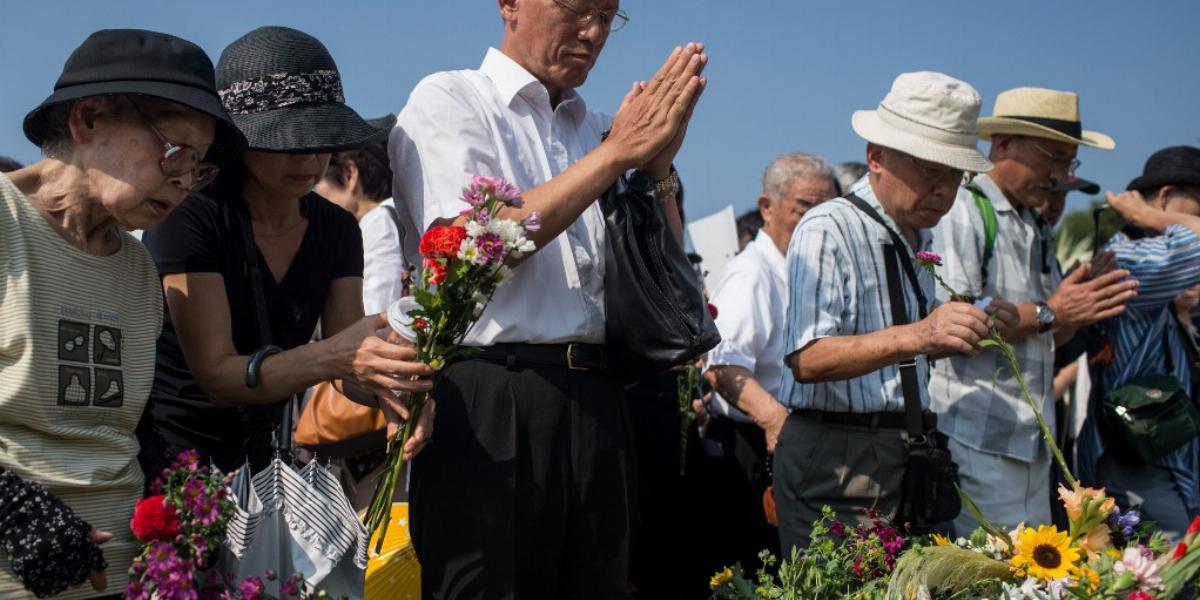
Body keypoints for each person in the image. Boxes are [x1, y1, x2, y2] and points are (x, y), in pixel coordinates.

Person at [390, 0, 708, 595]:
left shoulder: (597, 128)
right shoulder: (452, 99)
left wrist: (658, 167)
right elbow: (471, 245)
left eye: (609, 16)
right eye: (578, 9)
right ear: (509, 4)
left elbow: (660, 268)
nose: (593, 33)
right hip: (492, 394)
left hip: (599, 396)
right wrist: (616, 156)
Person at [0, 29, 242, 599]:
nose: (185, 182)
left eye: (200, 167)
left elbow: (123, 421)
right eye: (175, 152)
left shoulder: (137, 268)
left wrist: (179, 497)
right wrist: (15, 510)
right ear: (88, 120)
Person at [137, 26, 433, 480]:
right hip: (176, 463)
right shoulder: (192, 215)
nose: (309, 160)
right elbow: (217, 376)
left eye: (321, 142)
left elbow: (348, 367)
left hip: (265, 465)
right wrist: (335, 357)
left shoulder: (336, 229)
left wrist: (392, 389)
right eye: (288, 143)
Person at [773, 71, 1018, 552]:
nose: (945, 189)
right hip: (838, 458)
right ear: (876, 156)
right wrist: (923, 335)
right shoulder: (829, 226)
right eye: (931, 168)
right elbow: (808, 359)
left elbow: (904, 343)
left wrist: (966, 328)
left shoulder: (917, 236)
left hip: (904, 454)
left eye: (956, 174)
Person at [929, 87, 1138, 532]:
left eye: (1070, 162)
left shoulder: (1033, 223)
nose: (1061, 175)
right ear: (1002, 145)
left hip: (1029, 441)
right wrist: (1055, 311)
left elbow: (1047, 330)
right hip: (976, 438)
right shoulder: (965, 208)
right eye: (1054, 158)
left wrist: (1080, 303)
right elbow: (957, 326)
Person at [701, 152, 838, 577]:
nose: (817, 222)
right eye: (805, 209)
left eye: (827, 211)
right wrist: (775, 420)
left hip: (798, 445)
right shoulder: (752, 274)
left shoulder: (806, 271)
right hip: (754, 447)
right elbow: (720, 365)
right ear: (767, 207)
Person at [1078, 146, 1200, 539]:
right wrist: (1154, 218)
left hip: (1161, 458)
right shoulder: (1130, 261)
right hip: (1140, 464)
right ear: (1165, 197)